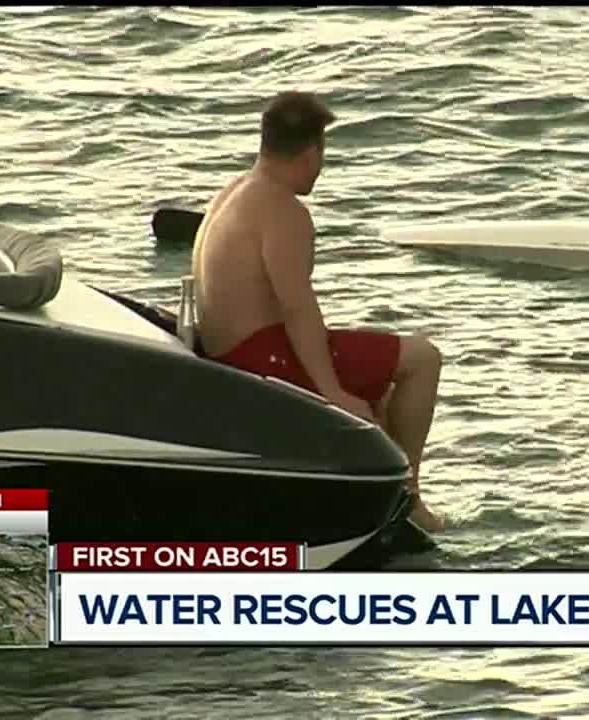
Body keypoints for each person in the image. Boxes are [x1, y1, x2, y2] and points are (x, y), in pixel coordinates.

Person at [191, 90, 445, 531]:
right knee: (422, 359)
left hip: (227, 348)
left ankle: (379, 498)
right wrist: (331, 392)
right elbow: (296, 307)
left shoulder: (233, 192)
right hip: (259, 354)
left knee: (382, 388)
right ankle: (411, 504)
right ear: (311, 151)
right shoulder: (283, 209)